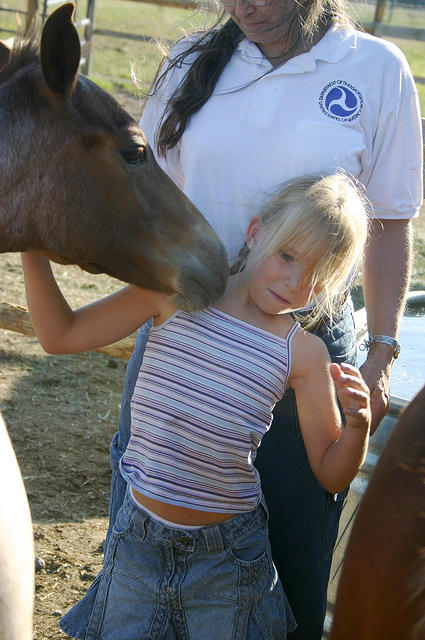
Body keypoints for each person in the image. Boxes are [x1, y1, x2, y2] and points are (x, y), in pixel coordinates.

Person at [71, 0, 423, 635]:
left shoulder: (376, 69)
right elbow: (140, 188)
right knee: (145, 540)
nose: (244, 5)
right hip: (185, 334)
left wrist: (381, 349)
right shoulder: (189, 63)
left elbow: (392, 221)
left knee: (289, 560)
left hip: (302, 349)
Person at [22, 174, 371, 639]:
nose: (294, 281)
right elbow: (60, 335)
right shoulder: (176, 293)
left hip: (228, 559)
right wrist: (30, 247)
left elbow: (331, 473)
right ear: (254, 232)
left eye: (316, 276)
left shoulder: (303, 352)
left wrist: (358, 425)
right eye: (287, 255)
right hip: (138, 546)